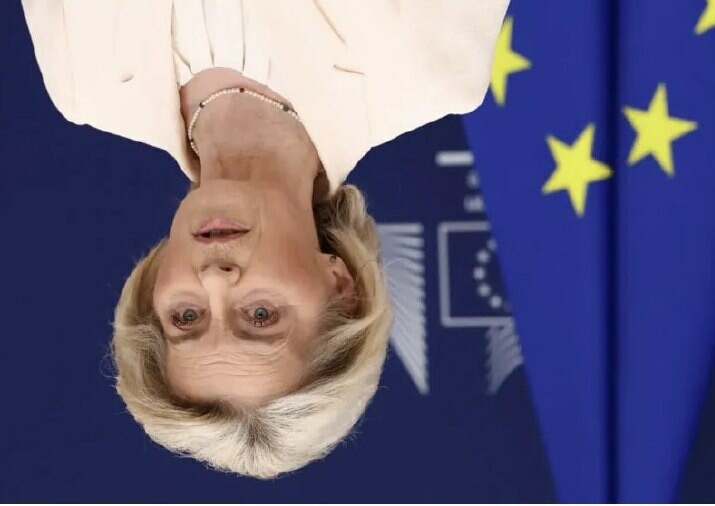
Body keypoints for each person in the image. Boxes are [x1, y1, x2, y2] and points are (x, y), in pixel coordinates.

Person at [22, 0, 509, 479]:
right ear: (341, 287)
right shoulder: (426, 71)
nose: (216, 279)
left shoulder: (85, 81)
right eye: (260, 316)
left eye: (186, 317)